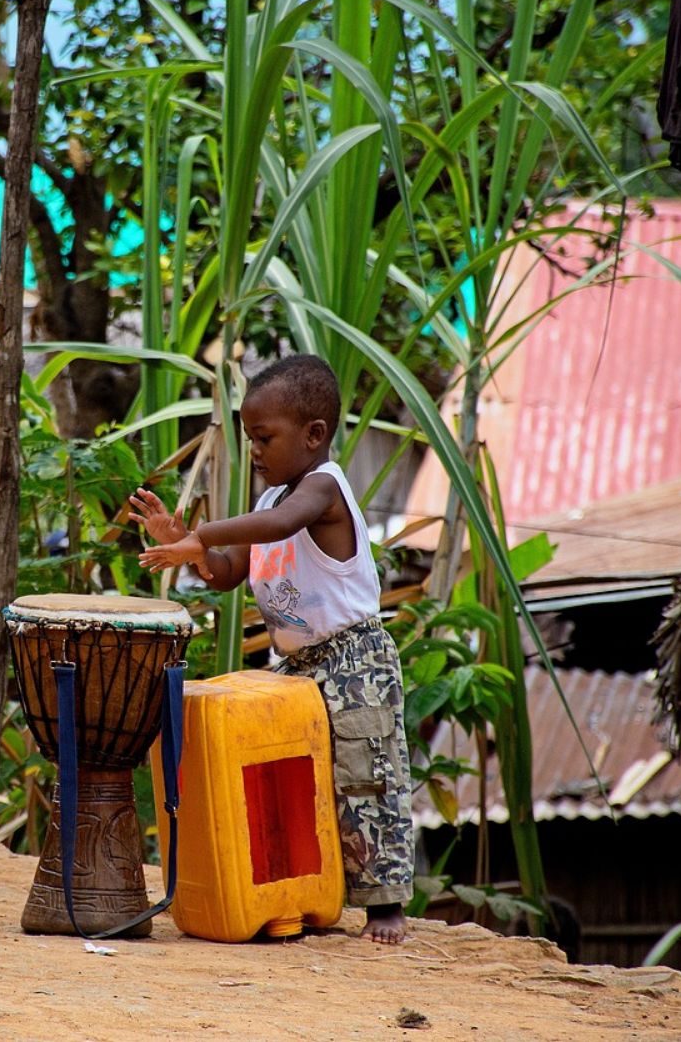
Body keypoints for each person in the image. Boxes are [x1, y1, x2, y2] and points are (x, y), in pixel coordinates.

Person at [129, 354, 414, 944]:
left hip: (351, 660)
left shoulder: (321, 489)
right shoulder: (266, 505)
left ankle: (386, 904)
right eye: (249, 438)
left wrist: (200, 535)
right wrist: (193, 548)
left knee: (365, 776)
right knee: (296, 777)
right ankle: (302, 887)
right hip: (293, 665)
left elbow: (286, 525)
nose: (254, 451)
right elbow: (229, 571)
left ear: (313, 435)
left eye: (264, 437)